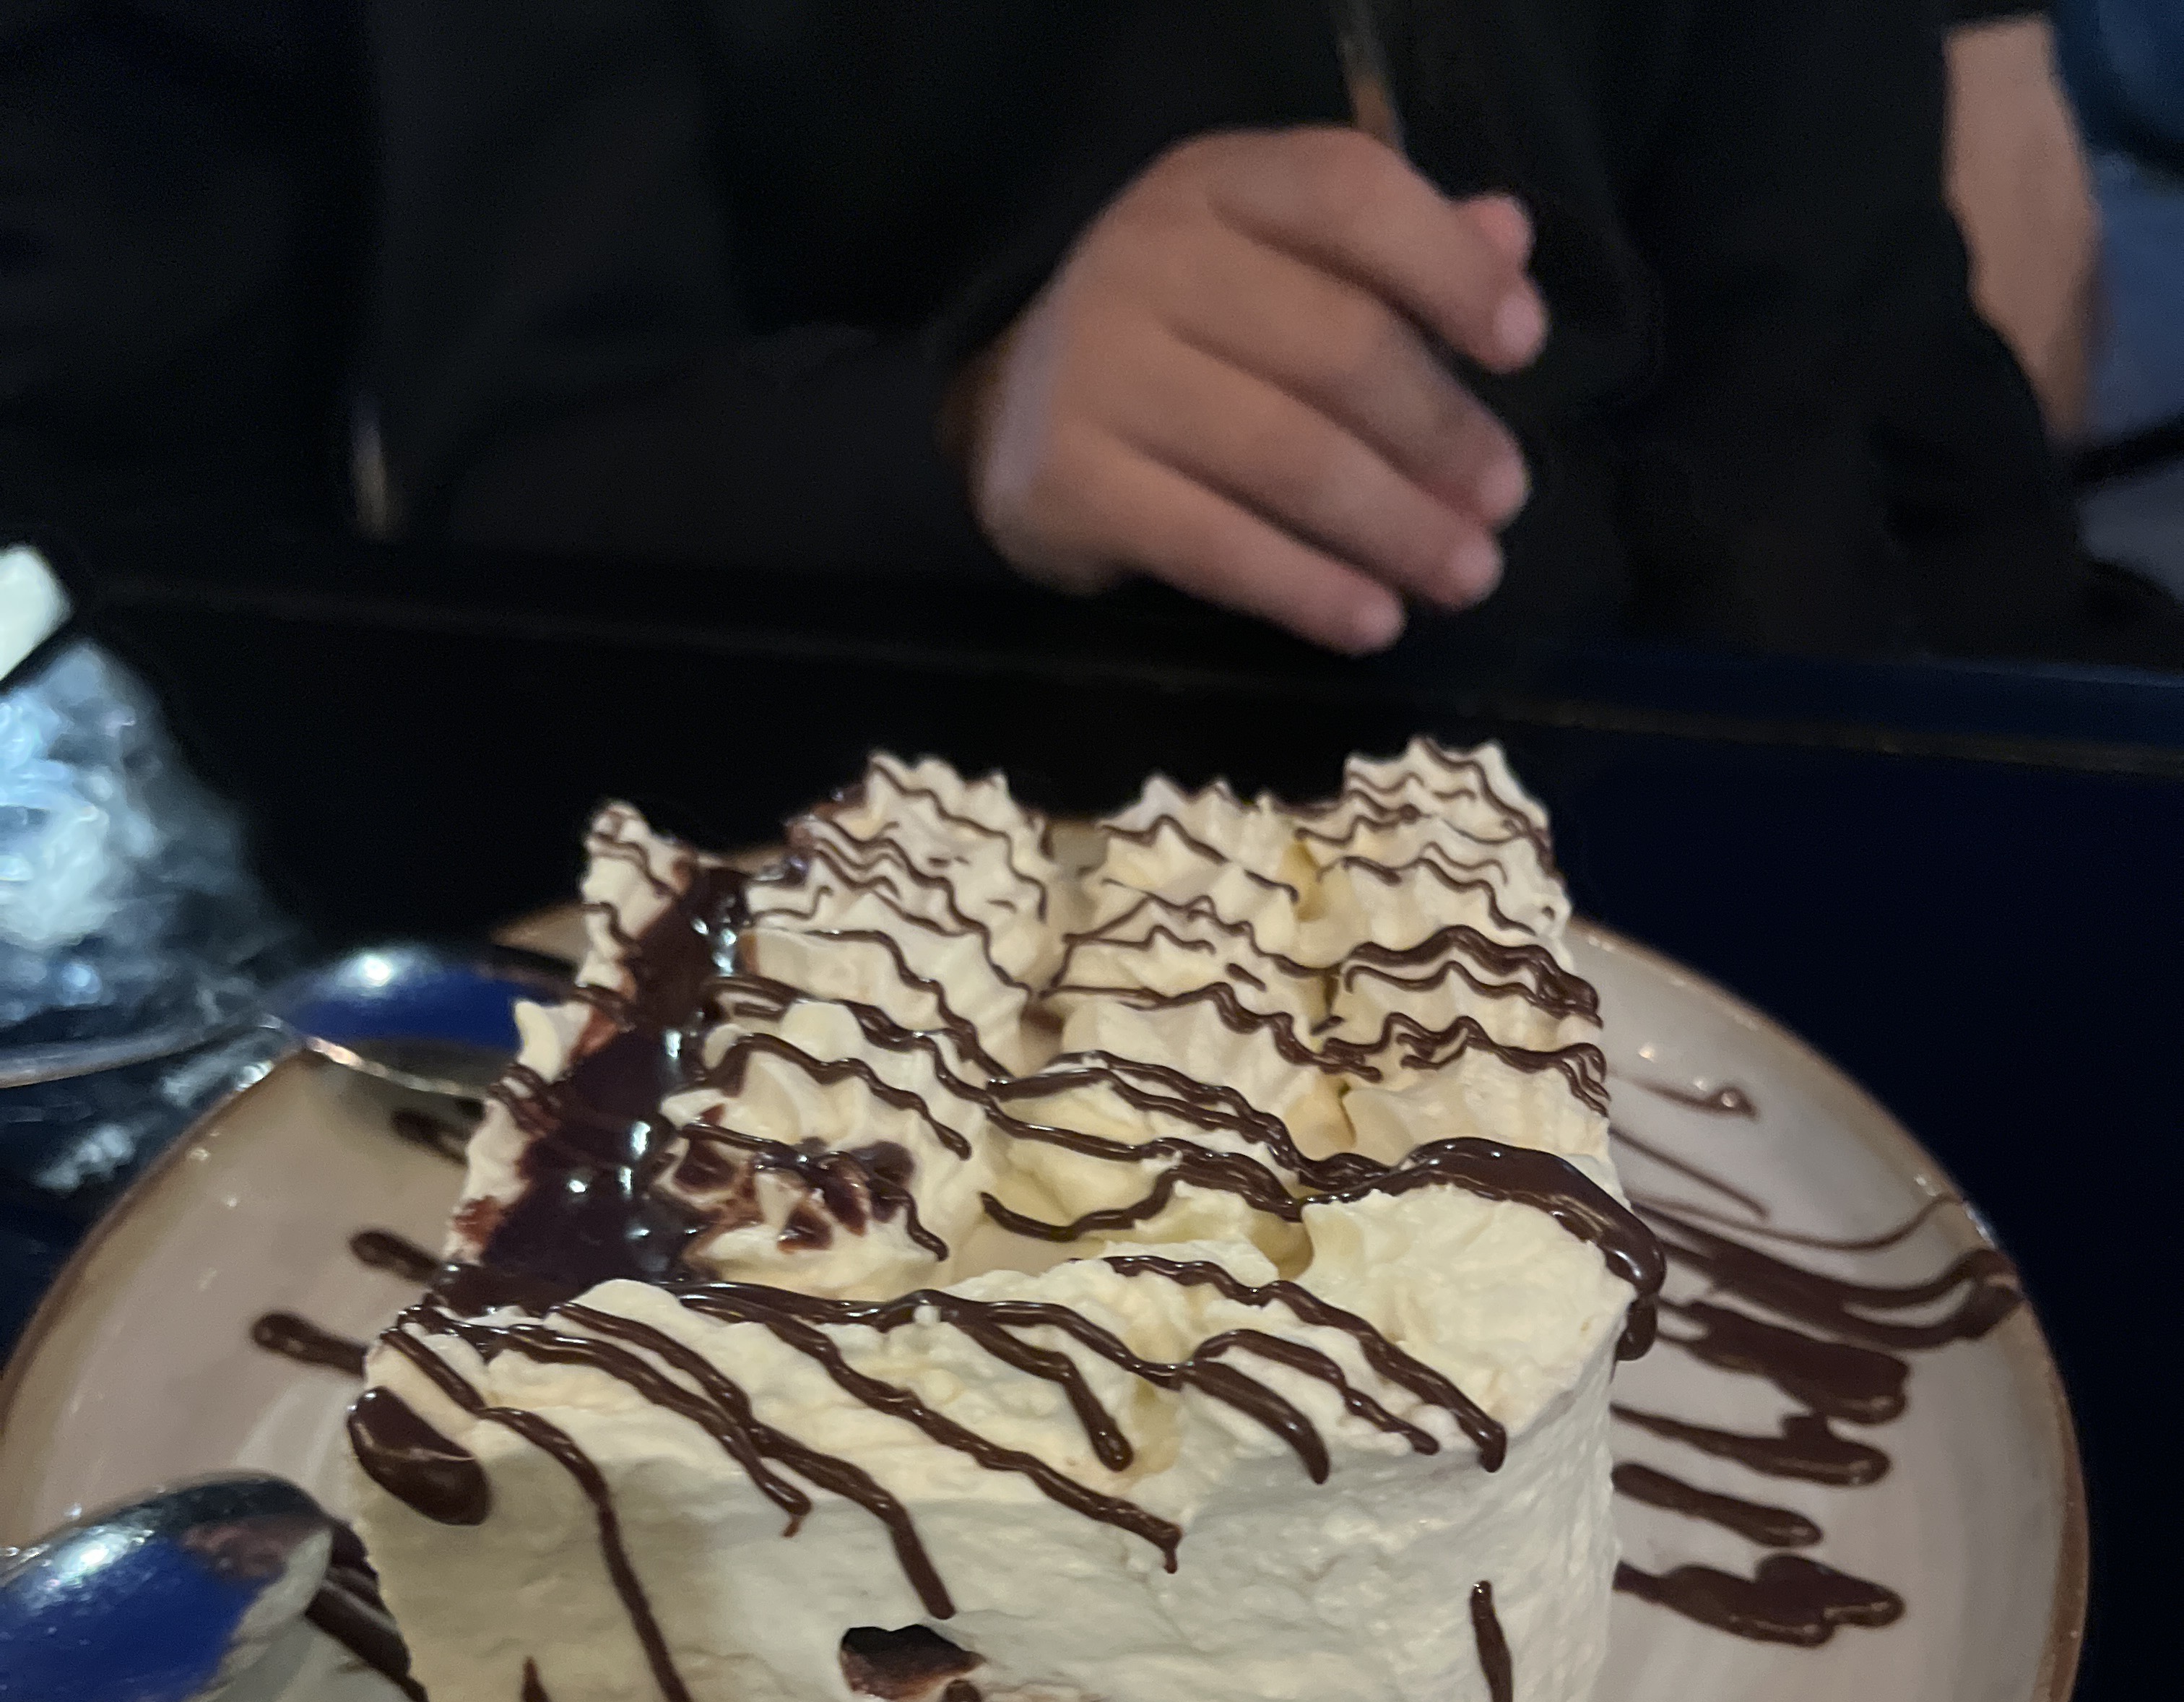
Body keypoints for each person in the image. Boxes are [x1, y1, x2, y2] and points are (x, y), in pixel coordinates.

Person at [3, 0, 2178, 668]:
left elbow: (1846, 349)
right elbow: (521, 464)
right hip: (982, 892)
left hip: (1701, 815)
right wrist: (971, 433)